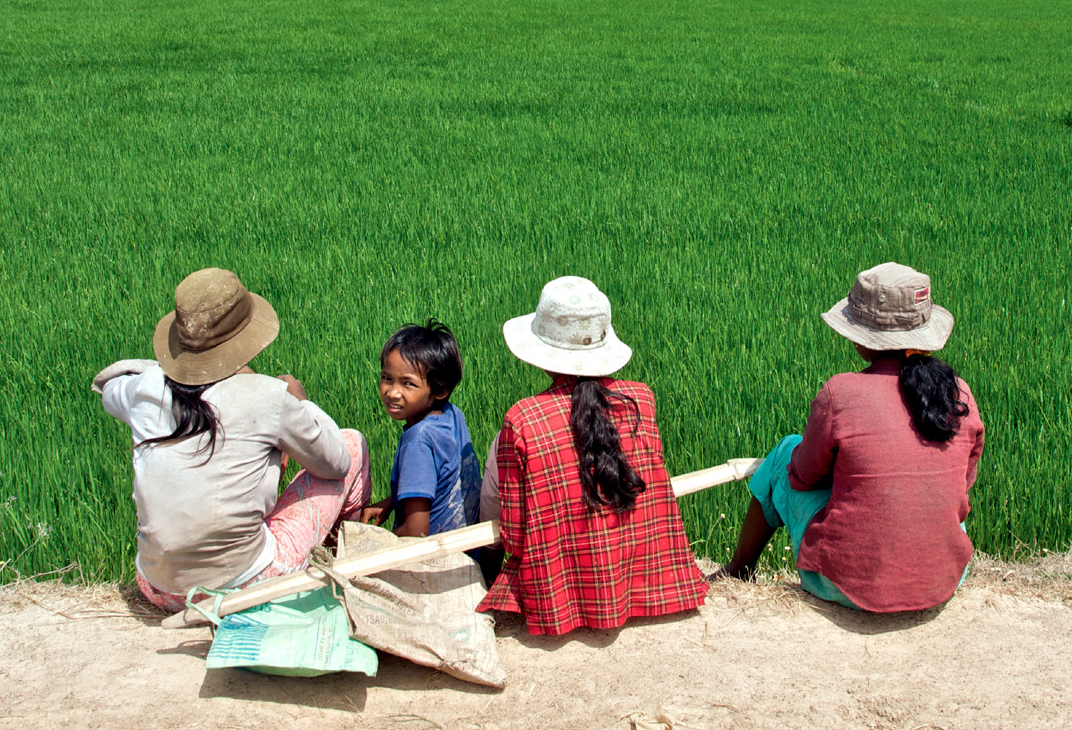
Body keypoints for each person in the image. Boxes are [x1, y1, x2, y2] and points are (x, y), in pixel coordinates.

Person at [93, 267, 370, 612]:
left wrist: (168, 373)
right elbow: (336, 463)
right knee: (352, 443)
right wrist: (301, 402)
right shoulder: (267, 397)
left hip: (159, 588)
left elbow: (108, 386)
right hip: (244, 587)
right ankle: (337, 575)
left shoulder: (145, 388)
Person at [716, 262, 984, 614]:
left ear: (861, 338)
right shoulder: (959, 394)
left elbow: (803, 476)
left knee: (785, 451)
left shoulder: (840, 393)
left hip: (844, 583)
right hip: (945, 579)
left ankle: (740, 569)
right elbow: (962, 486)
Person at [477, 275, 705, 635]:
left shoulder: (523, 420)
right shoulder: (641, 400)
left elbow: (516, 537)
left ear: (543, 353)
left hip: (560, 598)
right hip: (646, 580)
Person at [362, 320, 482, 537]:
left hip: (436, 554)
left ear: (440, 390)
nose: (392, 392)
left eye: (408, 383)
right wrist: (392, 501)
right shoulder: (452, 415)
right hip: (471, 547)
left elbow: (416, 532)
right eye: (387, 378)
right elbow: (439, 480)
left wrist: (379, 542)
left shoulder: (418, 442)